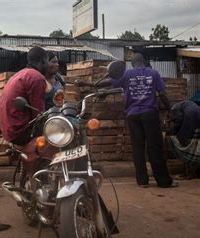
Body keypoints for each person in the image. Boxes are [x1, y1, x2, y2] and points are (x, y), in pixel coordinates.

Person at [76, 53, 178, 188]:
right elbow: (163, 94)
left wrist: (85, 83)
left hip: (133, 115)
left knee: (138, 147)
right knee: (155, 147)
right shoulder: (153, 73)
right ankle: (163, 181)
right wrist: (169, 110)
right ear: (144, 61)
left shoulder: (127, 75)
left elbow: (107, 83)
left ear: (132, 63)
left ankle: (142, 181)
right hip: (150, 114)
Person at [0, 46, 55, 177]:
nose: (49, 65)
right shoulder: (37, 77)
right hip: (20, 131)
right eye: (48, 62)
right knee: (58, 138)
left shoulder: (20, 74)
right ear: (43, 61)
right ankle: (44, 175)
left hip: (10, 128)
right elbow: (39, 114)